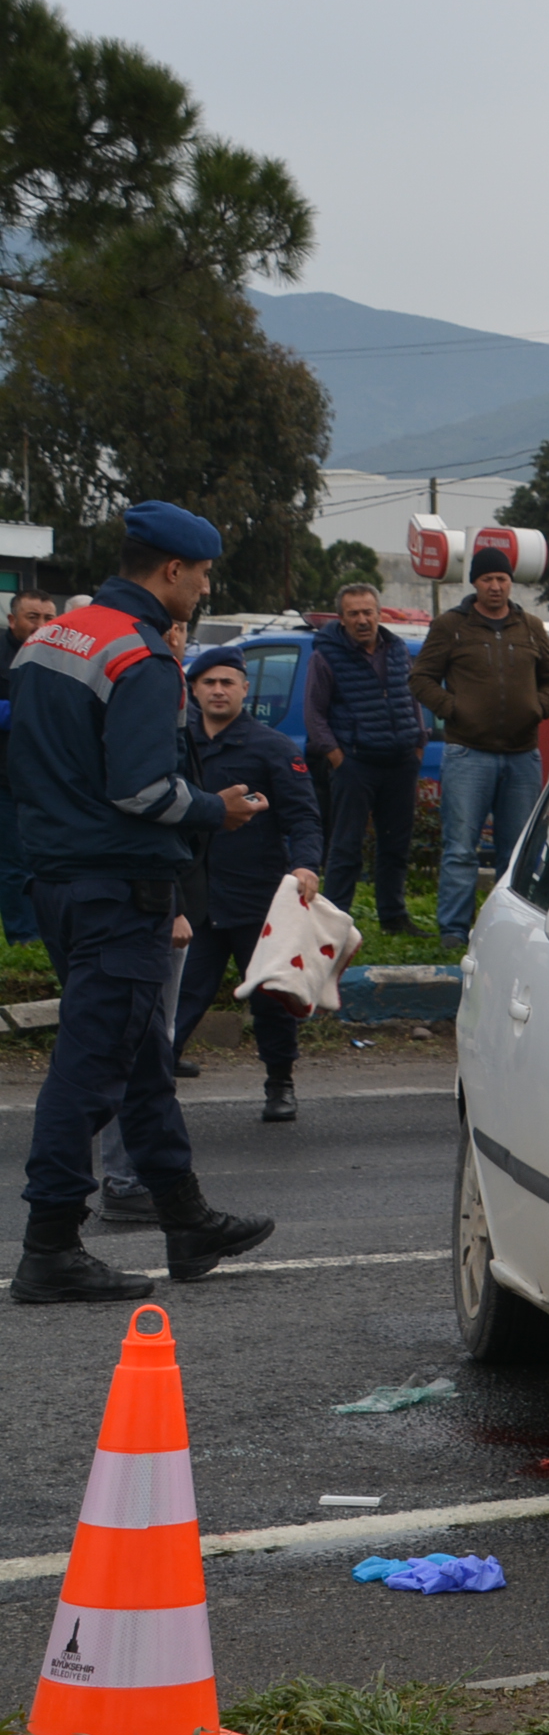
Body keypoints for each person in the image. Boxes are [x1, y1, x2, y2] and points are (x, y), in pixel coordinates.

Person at [6, 498, 274, 1300]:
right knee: (91, 1071)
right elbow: (142, 791)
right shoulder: (143, 658)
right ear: (170, 572)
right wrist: (215, 808)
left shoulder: (57, 634)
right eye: (200, 576)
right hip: (118, 886)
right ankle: (50, 1244)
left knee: (142, 1058)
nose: (202, 589)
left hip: (57, 877)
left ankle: (186, 1219)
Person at [174, 643, 323, 1122]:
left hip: (256, 898)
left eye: (227, 682)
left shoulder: (272, 747)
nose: (218, 691)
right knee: (177, 998)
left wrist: (305, 865)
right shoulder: (176, 743)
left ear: (245, 688)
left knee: (270, 998)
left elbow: (303, 817)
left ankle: (280, 1083)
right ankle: (150, 1084)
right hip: (191, 898)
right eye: (208, 682)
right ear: (193, 690)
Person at [411, 545, 549, 949]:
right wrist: (454, 710)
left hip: (522, 755)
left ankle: (511, 931)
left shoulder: (531, 627)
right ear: (474, 582)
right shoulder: (450, 626)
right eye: (488, 579)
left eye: (502, 579)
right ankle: (454, 931)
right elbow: (421, 678)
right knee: (460, 849)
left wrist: (538, 708)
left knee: (517, 852)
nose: (495, 586)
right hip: (467, 753)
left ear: (511, 582)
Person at [304, 582, 422, 933]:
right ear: (341, 619)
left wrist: (419, 742)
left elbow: (410, 698)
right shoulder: (325, 655)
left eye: (368, 612)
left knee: (395, 845)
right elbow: (314, 714)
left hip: (401, 761)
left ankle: (394, 917)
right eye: (353, 613)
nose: (362, 619)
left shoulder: (398, 649)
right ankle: (334, 923)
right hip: (355, 764)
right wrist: (338, 758)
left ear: (379, 613)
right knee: (345, 848)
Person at [0, 589, 53, 944]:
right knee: (14, 864)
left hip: (47, 779)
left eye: (50, 618)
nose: (43, 625)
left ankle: (46, 932)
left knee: (43, 861)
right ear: (12, 619)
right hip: (5, 780)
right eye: (33, 617)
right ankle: (24, 938)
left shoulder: (61, 653)